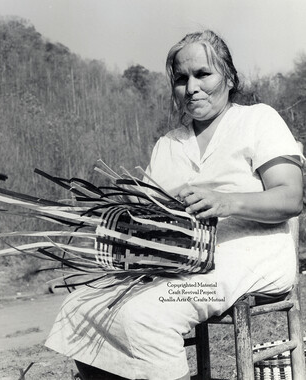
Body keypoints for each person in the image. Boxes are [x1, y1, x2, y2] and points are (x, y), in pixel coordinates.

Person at [45, 30, 304, 380]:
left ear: (229, 77)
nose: (192, 87)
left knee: (150, 313)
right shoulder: (168, 144)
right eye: (181, 79)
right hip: (180, 260)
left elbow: (290, 198)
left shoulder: (258, 120)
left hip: (249, 253)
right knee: (82, 305)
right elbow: (148, 214)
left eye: (203, 74)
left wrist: (226, 201)